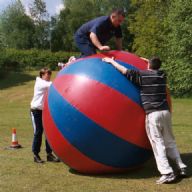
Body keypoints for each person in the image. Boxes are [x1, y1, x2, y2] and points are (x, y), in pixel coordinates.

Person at [102, 57, 187, 184]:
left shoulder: (143, 75)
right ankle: (181, 166)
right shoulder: (162, 75)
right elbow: (155, 66)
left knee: (157, 143)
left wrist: (112, 61)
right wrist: (148, 61)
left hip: (153, 114)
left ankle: (167, 172)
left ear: (148, 65)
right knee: (170, 140)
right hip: (165, 112)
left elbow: (125, 71)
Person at [30, 68, 60, 163]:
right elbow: (54, 85)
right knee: (38, 133)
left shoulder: (46, 83)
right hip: (36, 111)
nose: (49, 76)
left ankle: (49, 154)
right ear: (42, 75)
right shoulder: (40, 83)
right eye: (47, 74)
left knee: (48, 132)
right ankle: (36, 155)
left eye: (50, 74)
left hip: (44, 111)